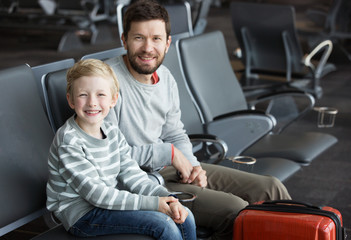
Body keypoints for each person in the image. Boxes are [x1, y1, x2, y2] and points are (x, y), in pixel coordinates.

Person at [105, 0, 292, 239]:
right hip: (139, 182)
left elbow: (175, 133)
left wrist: (193, 167)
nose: (148, 48)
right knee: (235, 210)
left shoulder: (165, 77)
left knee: (270, 188)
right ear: (124, 40)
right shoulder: (105, 84)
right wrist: (169, 153)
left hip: (172, 169)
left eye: (156, 39)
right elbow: (109, 159)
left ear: (168, 43)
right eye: (139, 38)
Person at [46, 59, 197, 240]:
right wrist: (153, 204)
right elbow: (97, 195)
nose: (92, 102)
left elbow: (132, 173)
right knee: (164, 226)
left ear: (113, 100)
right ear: (70, 100)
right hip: (82, 215)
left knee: (185, 215)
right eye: (83, 95)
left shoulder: (111, 131)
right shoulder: (69, 141)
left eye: (101, 94)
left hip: (107, 204)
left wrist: (168, 198)